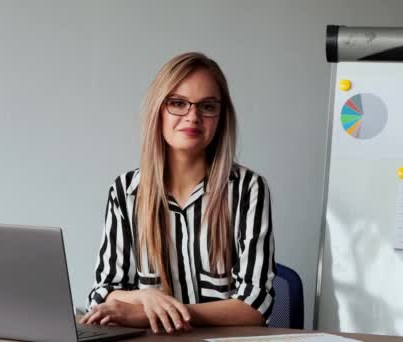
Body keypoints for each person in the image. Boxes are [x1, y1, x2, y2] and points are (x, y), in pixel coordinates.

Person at [80, 52, 275, 334]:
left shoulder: (248, 189)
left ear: (221, 117)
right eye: (178, 103)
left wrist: (155, 314)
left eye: (207, 107)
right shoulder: (125, 192)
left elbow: (255, 307)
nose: (193, 116)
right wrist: (145, 298)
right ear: (158, 110)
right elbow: (103, 294)